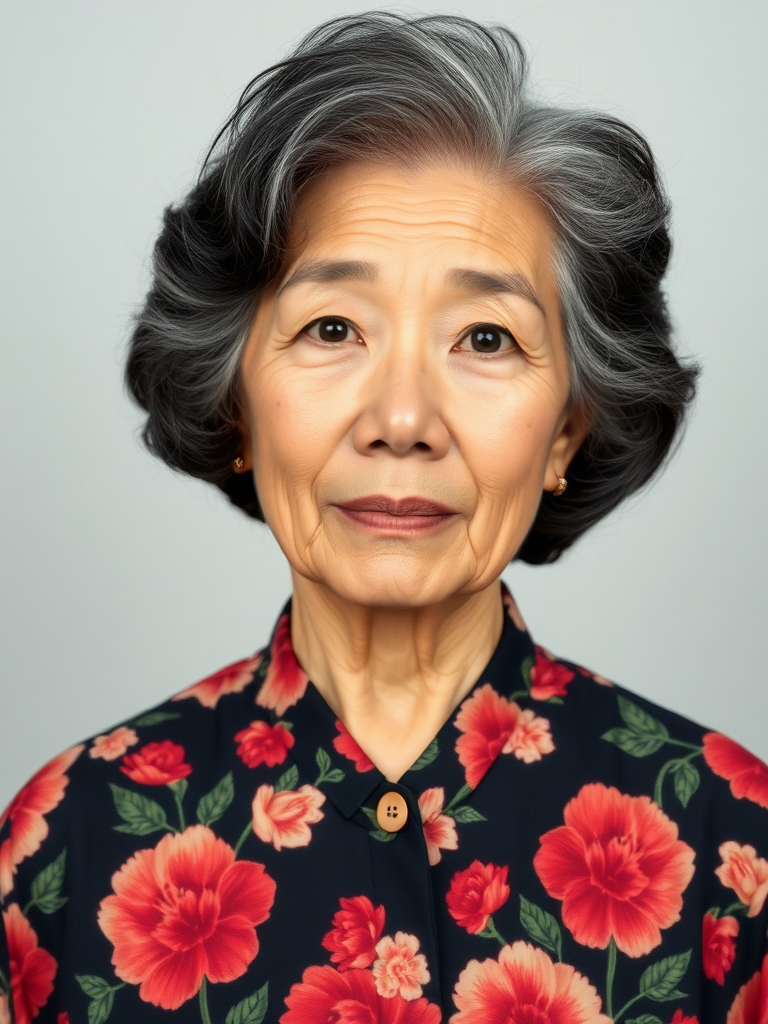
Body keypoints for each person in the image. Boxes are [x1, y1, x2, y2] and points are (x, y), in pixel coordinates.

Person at [1, 11, 766, 1024]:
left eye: (486, 338)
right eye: (331, 328)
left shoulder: (730, 845)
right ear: (234, 405)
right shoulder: (63, 848)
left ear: (566, 434)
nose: (402, 419)